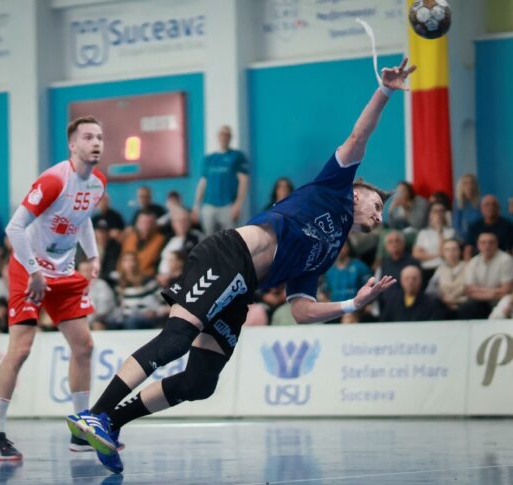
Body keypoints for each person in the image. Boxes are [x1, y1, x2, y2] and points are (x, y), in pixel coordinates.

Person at [66, 59, 415, 474]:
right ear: (358, 193)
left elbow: (301, 310)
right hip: (228, 255)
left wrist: (351, 305)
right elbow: (360, 135)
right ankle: (96, 414)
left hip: (241, 290)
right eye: (378, 204)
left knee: (200, 382)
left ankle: (111, 423)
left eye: (382, 214)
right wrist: (385, 91)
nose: (379, 215)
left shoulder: (329, 248)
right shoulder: (333, 185)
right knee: (175, 340)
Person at [0, 116, 107, 461]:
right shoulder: (54, 180)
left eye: (99, 137)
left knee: (84, 346)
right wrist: (35, 272)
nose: (96, 143)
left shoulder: (98, 183)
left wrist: (93, 254)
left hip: (63, 272)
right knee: (20, 349)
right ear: (72, 145)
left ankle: (81, 431)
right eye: (88, 137)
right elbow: (14, 228)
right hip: (28, 269)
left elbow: (82, 219)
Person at [191, 125, 249, 235]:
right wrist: (196, 205)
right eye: (222, 134)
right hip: (208, 205)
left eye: (227, 134)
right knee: (209, 239)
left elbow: (243, 181)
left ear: (231, 137)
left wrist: (238, 204)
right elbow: (203, 183)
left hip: (228, 205)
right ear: (218, 137)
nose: (224, 137)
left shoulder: (238, 156)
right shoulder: (209, 158)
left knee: (230, 238)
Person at [457, 232, 513, 319]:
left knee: (503, 307)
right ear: (478, 245)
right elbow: (469, 291)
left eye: (491, 242)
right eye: (483, 242)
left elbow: (506, 290)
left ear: (496, 244)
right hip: (481, 300)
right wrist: (493, 292)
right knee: (466, 307)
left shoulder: (506, 260)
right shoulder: (473, 262)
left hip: (499, 299)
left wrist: (479, 290)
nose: (487, 245)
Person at [380, 265, 446, 322]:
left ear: (420, 280)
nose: (410, 282)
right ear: (401, 281)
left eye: (414, 278)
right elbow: (384, 322)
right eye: (406, 279)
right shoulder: (392, 301)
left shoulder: (432, 302)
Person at [412, 202, 457, 285]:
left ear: (445, 214)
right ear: (430, 214)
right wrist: (437, 255)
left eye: (441, 211)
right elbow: (417, 254)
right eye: (435, 211)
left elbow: (444, 253)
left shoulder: (451, 232)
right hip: (427, 270)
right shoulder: (423, 233)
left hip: (445, 269)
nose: (438, 214)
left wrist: (440, 231)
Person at [425, 239, 467, 318]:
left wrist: (454, 300)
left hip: (463, 304)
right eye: (447, 250)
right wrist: (442, 298)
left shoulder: (469, 267)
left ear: (459, 251)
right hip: (444, 304)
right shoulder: (440, 269)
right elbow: (430, 290)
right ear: (443, 253)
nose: (451, 253)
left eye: (454, 249)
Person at [463, 195, 513, 260]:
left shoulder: (508, 226)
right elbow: (468, 249)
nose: (491, 207)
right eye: (487, 205)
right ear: (481, 208)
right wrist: (468, 264)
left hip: (501, 261)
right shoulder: (474, 226)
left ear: (498, 208)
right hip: (479, 260)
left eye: (494, 205)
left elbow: (509, 250)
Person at [121, 210, 166, 277]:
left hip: (147, 277)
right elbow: (121, 259)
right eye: (143, 222)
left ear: (155, 225)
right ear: (137, 224)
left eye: (149, 223)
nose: (146, 226)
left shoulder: (161, 240)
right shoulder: (129, 238)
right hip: (125, 276)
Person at [452, 173, 481, 240]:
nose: (469, 186)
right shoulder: (457, 203)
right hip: (463, 237)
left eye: (472, 183)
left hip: (478, 236)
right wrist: (466, 237)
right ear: (461, 186)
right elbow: (456, 224)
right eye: (465, 183)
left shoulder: (481, 202)